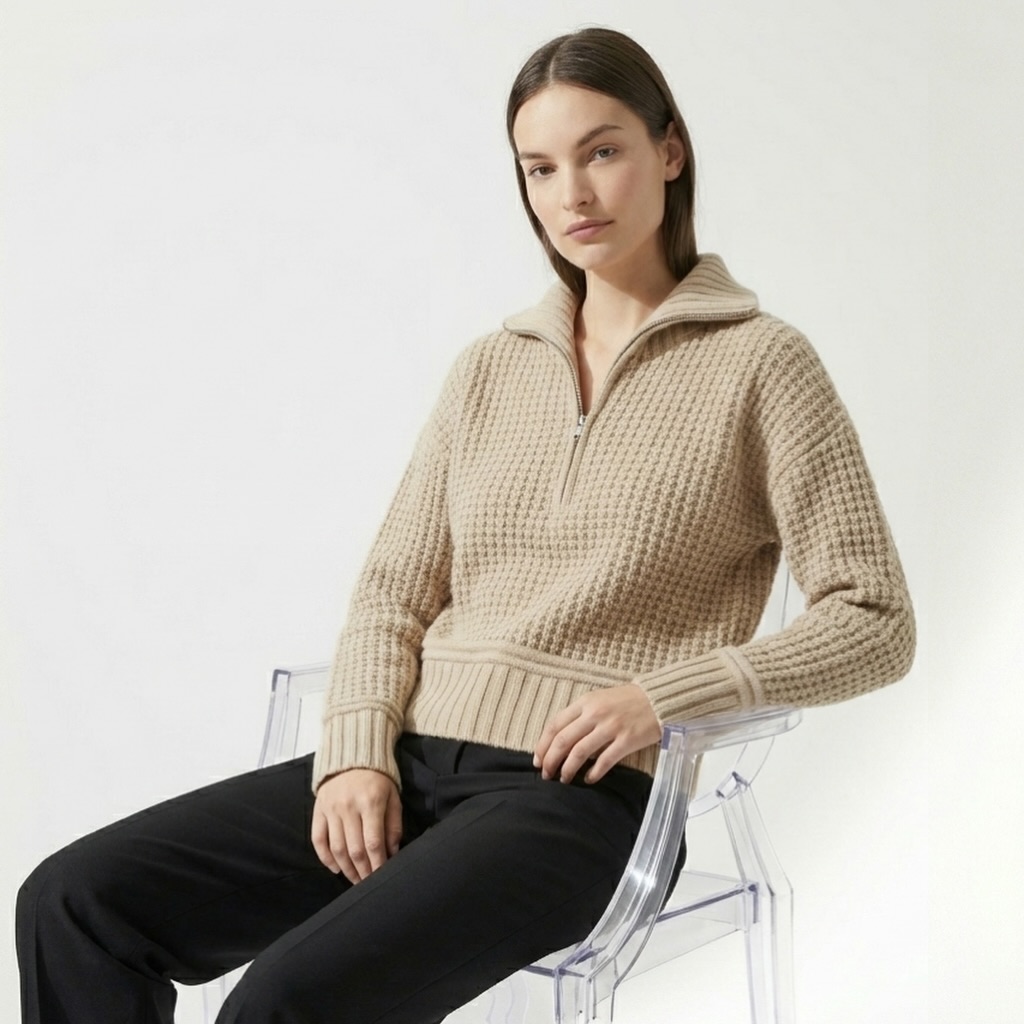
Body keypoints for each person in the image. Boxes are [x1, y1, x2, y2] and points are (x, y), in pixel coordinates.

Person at [16, 25, 915, 1024]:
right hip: (408, 759)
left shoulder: (763, 364)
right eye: (540, 168)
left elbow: (873, 618)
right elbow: (391, 593)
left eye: (602, 151)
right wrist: (355, 751)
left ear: (670, 150)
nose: (572, 194)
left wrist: (661, 698)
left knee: (286, 1000)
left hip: (578, 798)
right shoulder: (491, 367)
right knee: (75, 902)